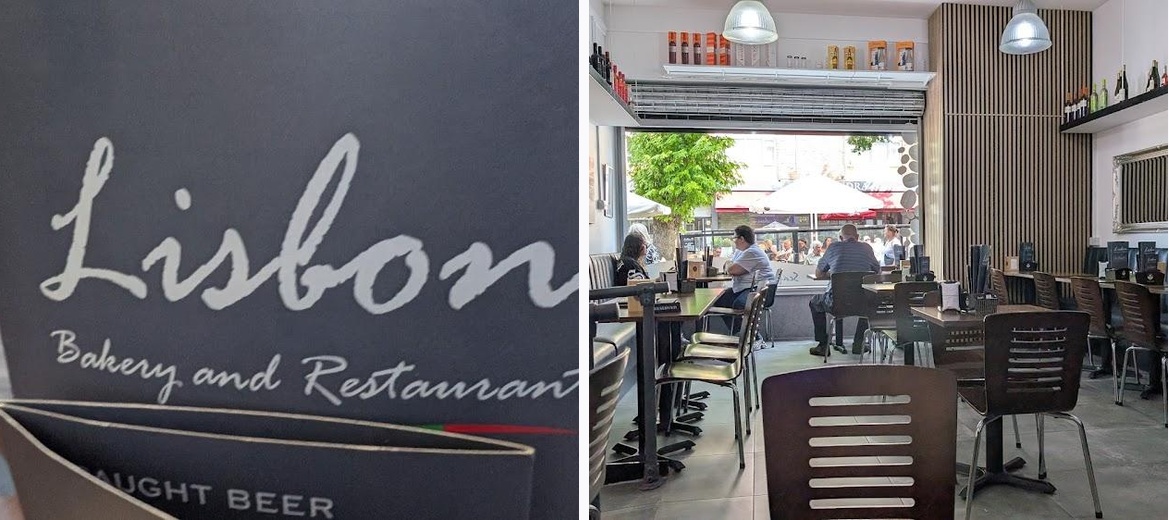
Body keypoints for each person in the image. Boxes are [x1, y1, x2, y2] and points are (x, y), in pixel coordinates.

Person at [808, 224, 880, 357]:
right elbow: (877, 271)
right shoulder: (866, 248)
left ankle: (823, 345)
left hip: (836, 303)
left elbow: (818, 273)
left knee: (814, 301)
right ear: (857, 236)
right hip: (862, 303)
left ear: (841, 238)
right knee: (869, 300)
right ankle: (859, 343)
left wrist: (834, 273)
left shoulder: (833, 247)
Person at [712, 225, 777, 334]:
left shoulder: (752, 252)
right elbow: (729, 265)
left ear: (741, 239)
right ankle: (738, 333)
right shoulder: (742, 251)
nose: (734, 241)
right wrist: (730, 265)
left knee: (739, 304)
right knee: (720, 300)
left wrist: (730, 266)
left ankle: (751, 336)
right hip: (750, 288)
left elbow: (732, 270)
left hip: (763, 291)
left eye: (734, 238)